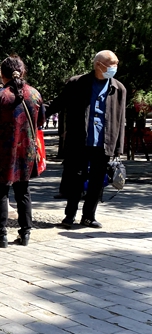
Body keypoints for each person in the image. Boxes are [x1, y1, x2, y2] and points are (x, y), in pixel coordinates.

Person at [47, 50, 126, 229]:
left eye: (116, 64)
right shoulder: (77, 83)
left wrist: (118, 148)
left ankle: (89, 216)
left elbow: (120, 119)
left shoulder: (119, 89)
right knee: (76, 180)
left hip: (104, 143)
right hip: (80, 141)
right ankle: (70, 216)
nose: (114, 68)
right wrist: (38, 113)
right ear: (98, 65)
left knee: (97, 182)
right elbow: (59, 102)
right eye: (111, 64)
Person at [0, 55, 44, 248]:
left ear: (3, 74)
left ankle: (0, 235)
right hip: (26, 152)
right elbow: (40, 122)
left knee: (0, 193)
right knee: (23, 192)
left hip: (1, 152)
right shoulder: (34, 94)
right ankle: (25, 233)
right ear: (22, 72)